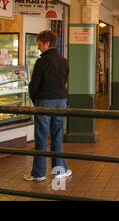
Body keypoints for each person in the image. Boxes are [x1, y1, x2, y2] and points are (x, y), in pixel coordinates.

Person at [24, 30, 72, 181]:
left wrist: (35, 100)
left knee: (41, 136)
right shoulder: (64, 61)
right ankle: (60, 171)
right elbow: (64, 81)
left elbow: (34, 85)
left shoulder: (42, 61)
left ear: (47, 43)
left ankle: (38, 173)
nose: (38, 48)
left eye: (39, 44)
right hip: (61, 101)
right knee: (57, 135)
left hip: (44, 101)